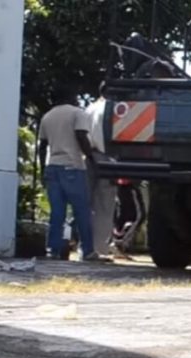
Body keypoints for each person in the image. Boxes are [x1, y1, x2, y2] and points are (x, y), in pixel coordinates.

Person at [38, 92, 108, 262]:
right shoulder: (77, 113)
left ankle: (53, 250)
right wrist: (91, 158)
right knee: (82, 210)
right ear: (72, 99)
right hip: (73, 166)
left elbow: (42, 146)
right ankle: (88, 250)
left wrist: (42, 170)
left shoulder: (47, 117)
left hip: (52, 167)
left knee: (57, 213)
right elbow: (81, 136)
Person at [85, 83, 115, 256]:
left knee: (86, 204)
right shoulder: (113, 109)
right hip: (108, 157)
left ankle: (85, 247)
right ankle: (100, 248)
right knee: (105, 205)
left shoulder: (89, 108)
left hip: (89, 156)